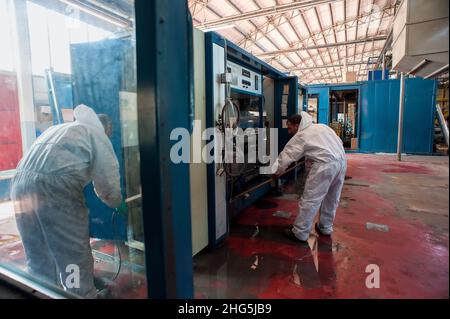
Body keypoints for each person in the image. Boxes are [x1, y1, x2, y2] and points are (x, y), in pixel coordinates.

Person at [11, 104, 123, 298]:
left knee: (37, 253)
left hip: (20, 185)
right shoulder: (96, 135)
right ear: (106, 128)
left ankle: (42, 291)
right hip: (56, 189)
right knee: (72, 254)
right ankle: (81, 295)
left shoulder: (59, 129)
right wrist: (117, 202)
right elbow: (107, 180)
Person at [272, 111, 347, 244]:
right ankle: (325, 227)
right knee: (332, 197)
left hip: (325, 165)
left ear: (297, 125)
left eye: (290, 128)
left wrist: (275, 171)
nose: (289, 132)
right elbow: (337, 142)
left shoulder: (302, 134)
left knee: (311, 199)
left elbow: (287, 155)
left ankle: (300, 233)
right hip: (341, 162)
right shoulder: (322, 127)